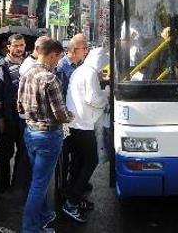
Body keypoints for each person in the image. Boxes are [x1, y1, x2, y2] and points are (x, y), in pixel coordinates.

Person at [18, 38, 73, 233]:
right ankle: (30, 228)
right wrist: (70, 116)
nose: (58, 62)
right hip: (48, 135)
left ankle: (43, 215)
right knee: (40, 184)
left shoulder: (26, 74)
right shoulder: (50, 79)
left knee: (36, 179)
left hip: (30, 131)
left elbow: (19, 106)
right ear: (53, 55)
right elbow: (60, 114)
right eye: (58, 58)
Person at [63, 47, 110, 223]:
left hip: (75, 123)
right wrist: (106, 96)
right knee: (91, 161)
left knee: (79, 161)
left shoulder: (80, 70)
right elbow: (93, 98)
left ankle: (74, 195)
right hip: (84, 125)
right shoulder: (89, 73)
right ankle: (72, 203)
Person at [0, 34, 27, 188]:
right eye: (16, 45)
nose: (19, 48)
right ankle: (2, 185)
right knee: (6, 151)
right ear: (9, 47)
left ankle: (18, 182)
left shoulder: (28, 64)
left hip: (24, 116)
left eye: (22, 45)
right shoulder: (1, 68)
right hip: (8, 115)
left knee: (23, 150)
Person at [54, 33, 88, 195]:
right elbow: (58, 95)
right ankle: (62, 188)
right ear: (74, 50)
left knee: (77, 153)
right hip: (64, 118)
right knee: (63, 155)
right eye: (84, 47)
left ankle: (74, 181)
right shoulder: (62, 66)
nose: (87, 50)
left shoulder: (80, 65)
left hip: (76, 118)